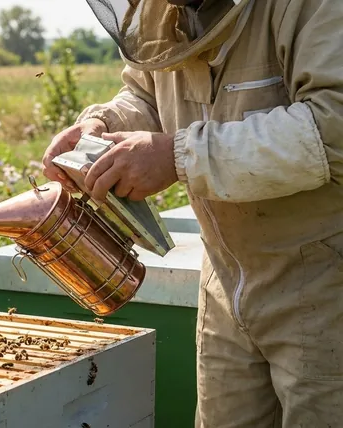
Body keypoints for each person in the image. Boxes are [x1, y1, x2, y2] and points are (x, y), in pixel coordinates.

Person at [42, 0, 343, 426]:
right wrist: (103, 126)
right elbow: (146, 93)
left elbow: (333, 129)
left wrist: (179, 157)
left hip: (326, 284)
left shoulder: (313, 8)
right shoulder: (166, 13)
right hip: (224, 279)